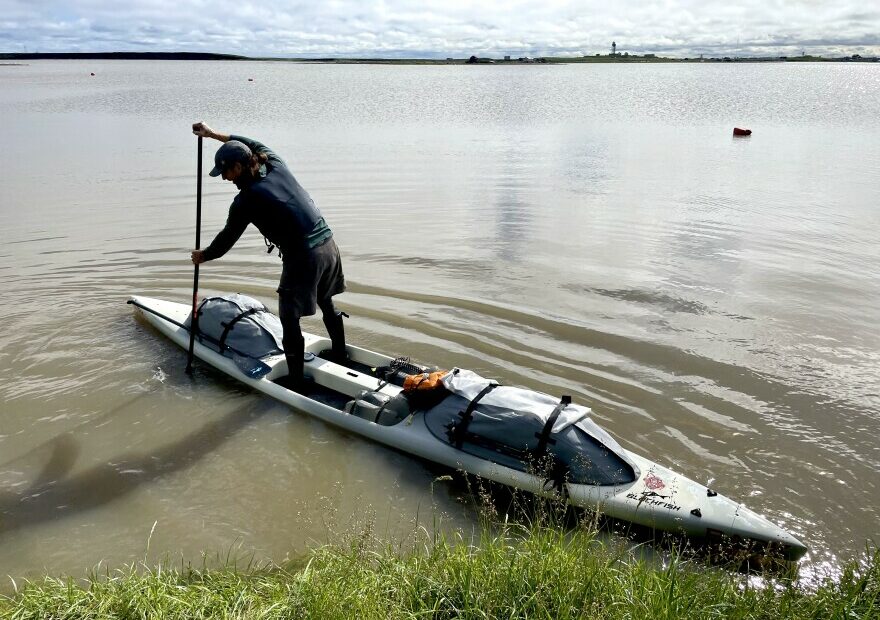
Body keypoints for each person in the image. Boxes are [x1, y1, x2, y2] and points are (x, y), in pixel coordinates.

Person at [190, 122, 346, 392]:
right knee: (325, 300)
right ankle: (340, 353)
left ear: (238, 167)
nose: (225, 178)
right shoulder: (275, 163)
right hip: (329, 245)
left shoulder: (246, 201)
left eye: (225, 171)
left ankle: (296, 383)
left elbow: (227, 238)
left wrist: (204, 256)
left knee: (289, 318)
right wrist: (212, 133)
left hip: (304, 257)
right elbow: (250, 140)